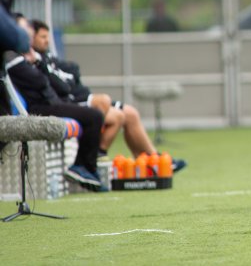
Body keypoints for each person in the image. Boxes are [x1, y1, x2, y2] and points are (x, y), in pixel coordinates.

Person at [29, 19, 186, 172]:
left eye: (48, 37)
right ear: (32, 37)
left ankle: (152, 159)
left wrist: (70, 73)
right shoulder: (35, 60)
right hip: (71, 102)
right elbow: (62, 85)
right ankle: (97, 152)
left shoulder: (47, 57)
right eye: (43, 37)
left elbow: (69, 73)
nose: (47, 41)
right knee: (108, 107)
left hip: (79, 97)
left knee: (131, 113)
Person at [6, 14, 106, 191]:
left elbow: (61, 86)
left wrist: (38, 62)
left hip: (54, 102)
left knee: (94, 114)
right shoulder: (12, 57)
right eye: (23, 28)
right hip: (40, 108)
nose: (27, 32)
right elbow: (40, 82)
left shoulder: (35, 57)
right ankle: (83, 167)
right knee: (94, 116)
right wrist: (35, 63)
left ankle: (87, 168)